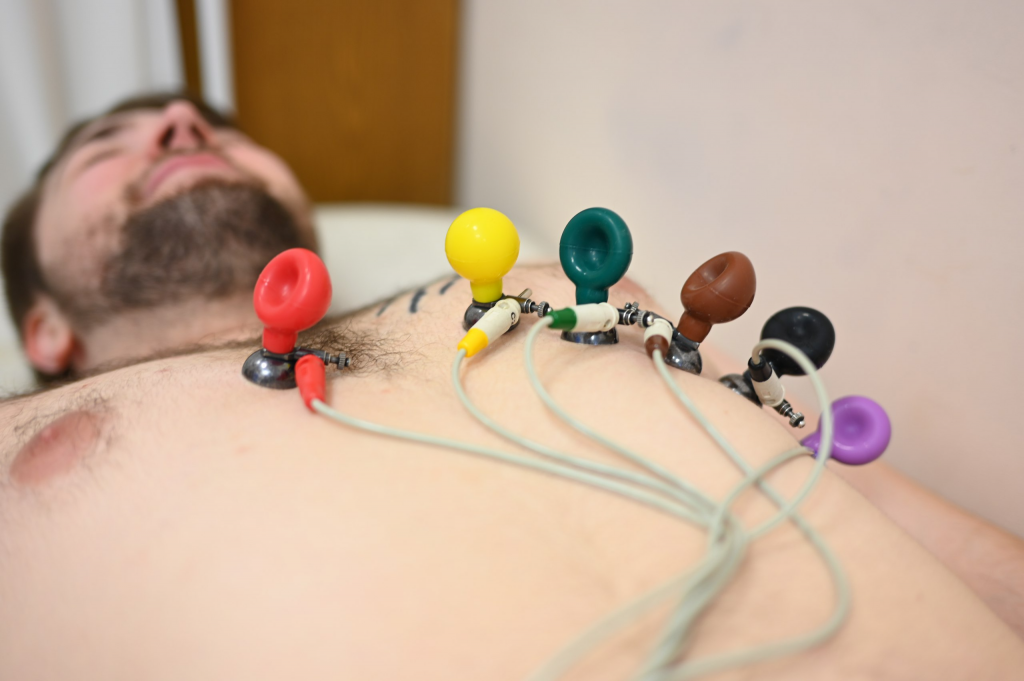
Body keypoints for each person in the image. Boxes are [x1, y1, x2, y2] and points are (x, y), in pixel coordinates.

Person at [0, 93, 1021, 680]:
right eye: (105, 147)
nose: (183, 119)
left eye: (221, 131)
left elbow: (887, 508)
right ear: (40, 327)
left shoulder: (555, 289)